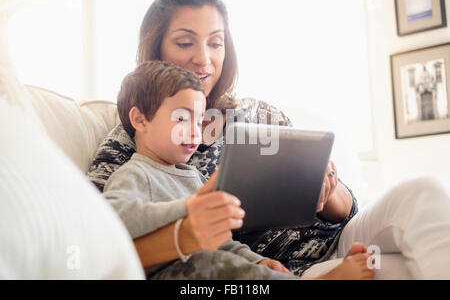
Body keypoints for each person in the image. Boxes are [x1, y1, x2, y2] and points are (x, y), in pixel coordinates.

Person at [88, 0, 450, 279]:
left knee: (424, 191)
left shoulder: (257, 113)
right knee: (392, 269)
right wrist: (187, 233)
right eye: (185, 42)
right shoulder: (133, 142)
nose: (204, 58)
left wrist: (327, 188)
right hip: (280, 271)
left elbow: (348, 210)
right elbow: (99, 243)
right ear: (155, 48)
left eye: (215, 42)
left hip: (340, 238)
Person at [102, 59, 373, 280]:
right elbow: (115, 223)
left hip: (207, 268)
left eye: (199, 121)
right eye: (182, 118)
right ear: (139, 119)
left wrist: (258, 260)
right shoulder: (133, 174)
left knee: (225, 262)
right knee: (209, 261)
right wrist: (190, 206)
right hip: (169, 274)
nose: (195, 132)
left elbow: (221, 242)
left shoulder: (192, 177)